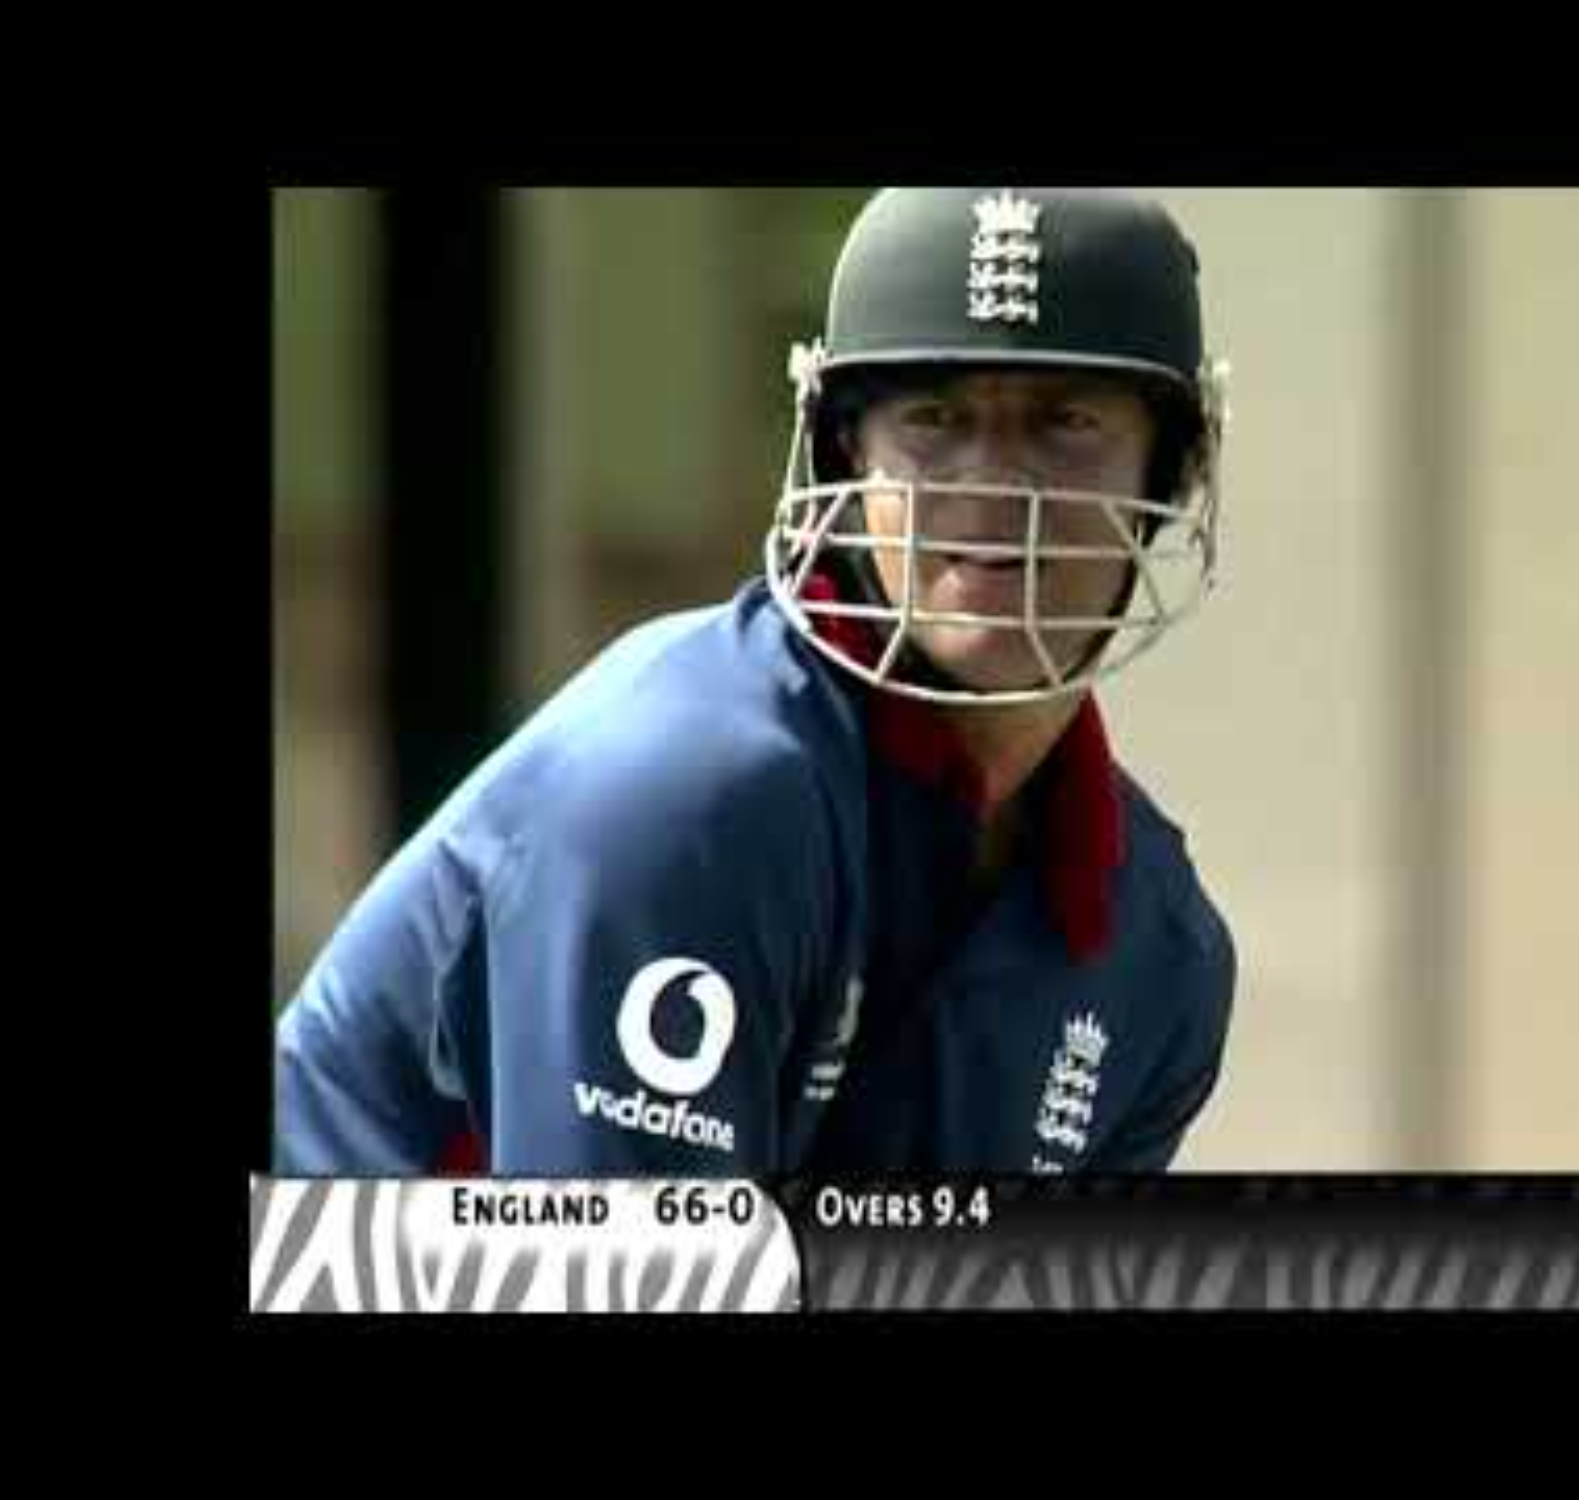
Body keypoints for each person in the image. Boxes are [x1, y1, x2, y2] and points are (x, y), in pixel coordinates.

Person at [275, 187, 1236, 1175]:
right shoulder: (689, 794)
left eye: (1065, 421)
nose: (992, 485)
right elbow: (625, 1255)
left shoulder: (1160, 952)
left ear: (1170, 473)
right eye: (935, 416)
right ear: (842, 453)